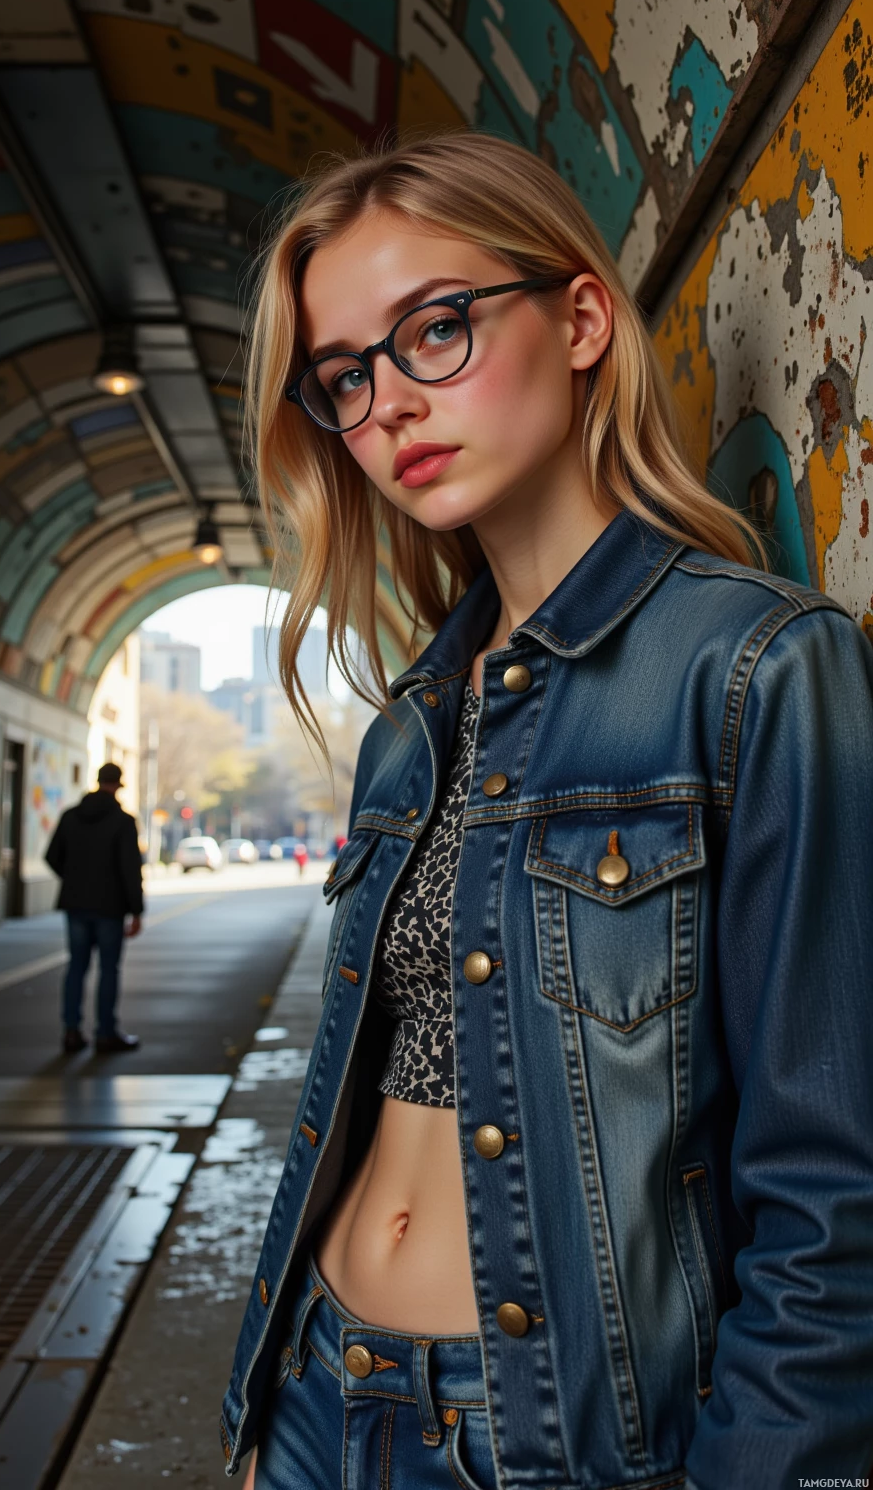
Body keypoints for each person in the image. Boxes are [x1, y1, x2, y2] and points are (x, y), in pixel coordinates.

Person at [221, 134, 873, 1490]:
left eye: (437, 330)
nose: (388, 403)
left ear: (581, 321)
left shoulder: (755, 668)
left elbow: (831, 1190)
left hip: (542, 1441)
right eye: (346, 375)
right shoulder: (409, 721)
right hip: (317, 1393)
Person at [45, 761, 144, 1055]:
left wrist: (73, 879)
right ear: (118, 785)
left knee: (76, 966)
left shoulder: (70, 817)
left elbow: (52, 856)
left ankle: (71, 1031)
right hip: (110, 907)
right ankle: (105, 1032)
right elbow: (130, 869)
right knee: (108, 969)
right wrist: (136, 910)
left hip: (76, 904)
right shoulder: (123, 821)